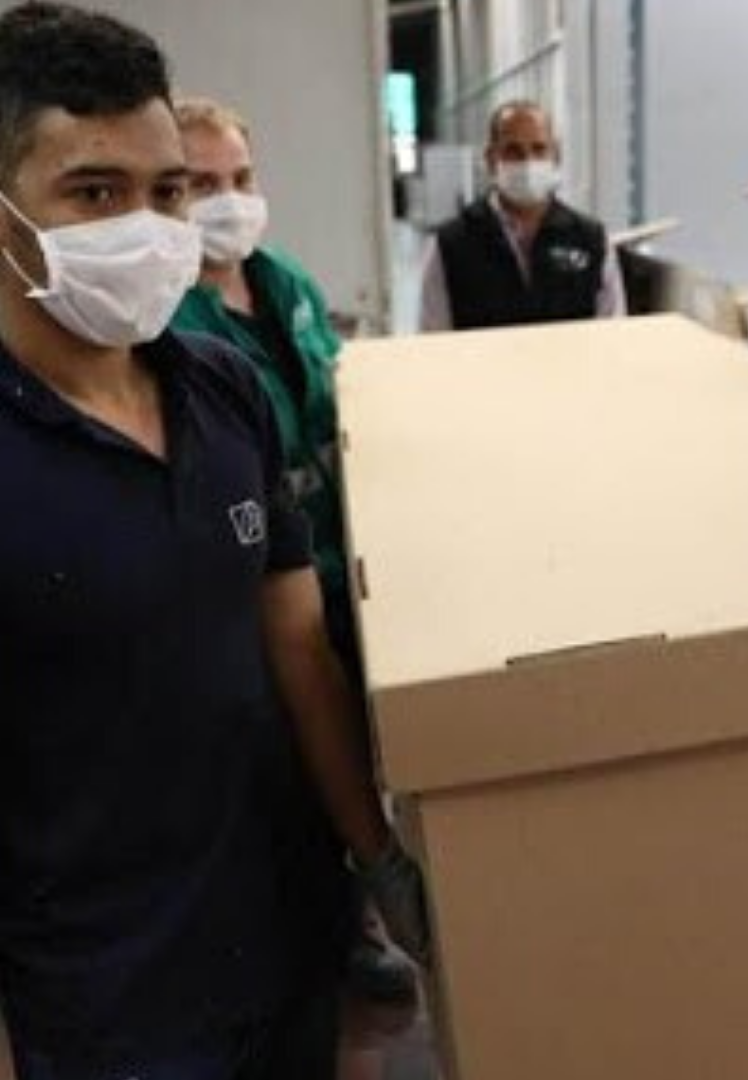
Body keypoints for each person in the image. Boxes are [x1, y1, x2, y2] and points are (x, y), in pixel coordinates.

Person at [0, 6, 425, 1080]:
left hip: (293, 948)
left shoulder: (226, 392)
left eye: (167, 191)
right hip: (114, 1010)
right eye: (95, 193)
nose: (146, 227)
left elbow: (296, 647)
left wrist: (378, 859)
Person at [166, 94, 422, 1067]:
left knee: (354, 748)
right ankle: (318, 939)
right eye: (201, 183)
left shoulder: (285, 283)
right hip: (255, 592)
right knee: (289, 776)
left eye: (240, 178)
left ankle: (354, 917)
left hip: (337, 567)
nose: (228, 200)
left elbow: (335, 399)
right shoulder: (169, 322)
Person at [418, 99, 625, 331]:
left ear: (556, 156)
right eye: (513, 151)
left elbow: (613, 332)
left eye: (539, 149)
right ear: (491, 159)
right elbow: (434, 336)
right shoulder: (450, 245)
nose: (528, 162)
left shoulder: (591, 240)